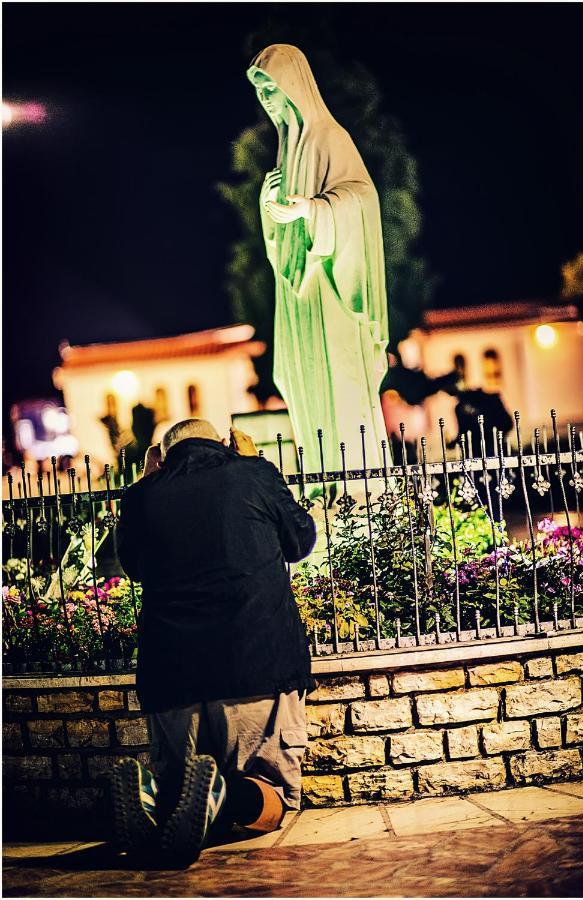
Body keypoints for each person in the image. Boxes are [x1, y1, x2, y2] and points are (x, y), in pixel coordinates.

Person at [112, 418, 316, 865]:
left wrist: (148, 482)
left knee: (182, 782)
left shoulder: (141, 496)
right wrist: (254, 462)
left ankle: (156, 798)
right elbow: (300, 540)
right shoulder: (254, 473)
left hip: (171, 677)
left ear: (161, 458)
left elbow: (132, 566)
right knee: (272, 792)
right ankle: (224, 800)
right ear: (224, 442)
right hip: (257, 665)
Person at [248, 44, 389, 475]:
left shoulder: (330, 138)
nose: (267, 100)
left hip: (330, 288)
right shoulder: (286, 153)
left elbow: (362, 199)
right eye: (261, 92)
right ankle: (323, 483)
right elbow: (279, 236)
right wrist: (268, 205)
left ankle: (360, 485)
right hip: (298, 296)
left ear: (294, 87)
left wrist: (310, 209)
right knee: (306, 385)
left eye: (272, 88)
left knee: (339, 386)